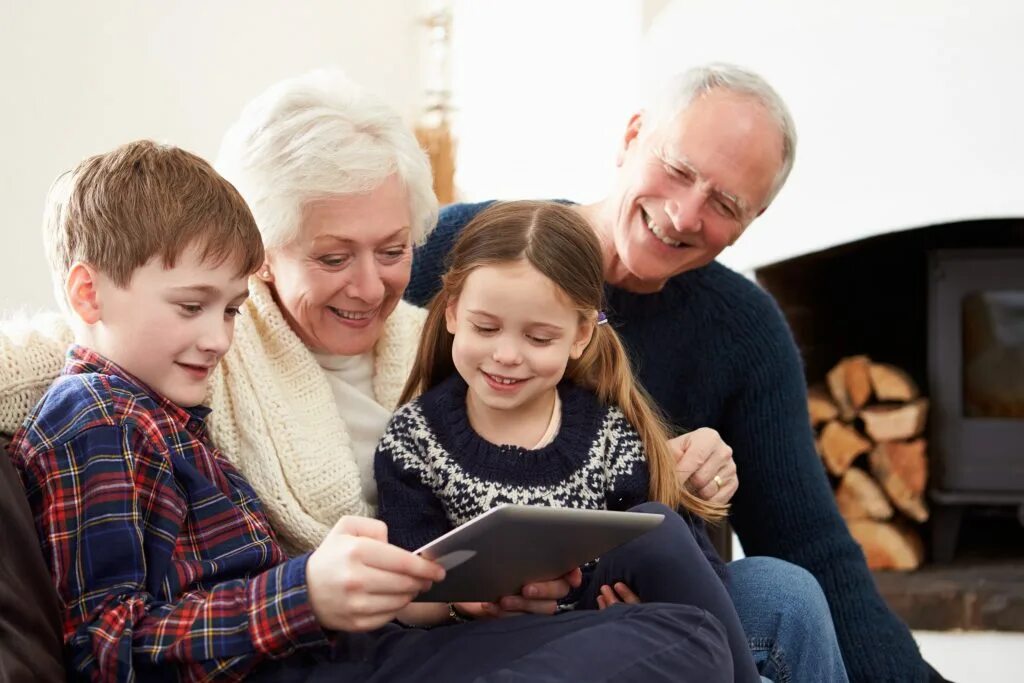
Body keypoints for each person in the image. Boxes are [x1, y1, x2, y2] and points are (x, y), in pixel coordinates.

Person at [0, 69, 840, 679]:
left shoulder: (432, 332)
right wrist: (307, 593)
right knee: (687, 641)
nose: (370, 284)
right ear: (266, 257)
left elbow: (565, 435)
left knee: (746, 578)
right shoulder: (170, 369)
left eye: (394, 251)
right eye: (332, 256)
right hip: (345, 645)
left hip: (416, 626)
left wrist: (672, 466)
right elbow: (74, 347)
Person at [405, 63, 945, 682]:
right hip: (480, 613)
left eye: (724, 203)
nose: (685, 215)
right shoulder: (466, 249)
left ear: (753, 221)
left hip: (640, 598)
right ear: (632, 136)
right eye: (680, 170)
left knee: (785, 590)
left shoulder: (742, 328)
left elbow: (811, 541)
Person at [376, 200, 767, 682]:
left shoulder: (607, 434)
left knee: (660, 526)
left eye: (539, 339)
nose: (506, 356)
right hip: (483, 648)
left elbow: (692, 565)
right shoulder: (414, 439)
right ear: (453, 312)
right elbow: (406, 598)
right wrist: (464, 603)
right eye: (485, 328)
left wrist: (649, 608)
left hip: (601, 637)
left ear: (581, 336)